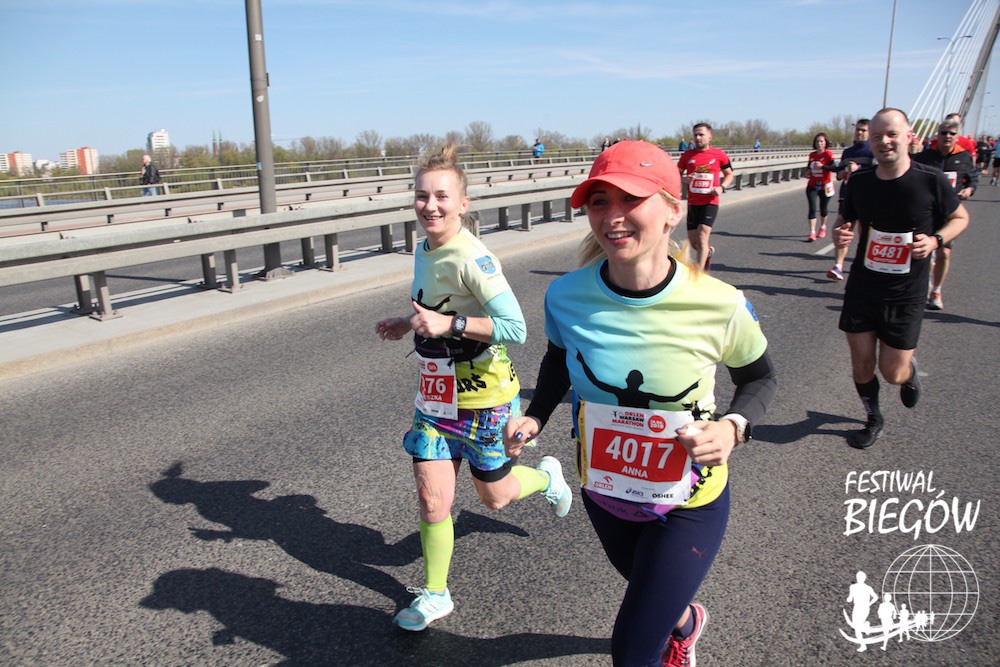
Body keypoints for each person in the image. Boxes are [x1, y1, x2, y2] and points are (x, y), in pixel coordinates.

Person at [503, 140, 776, 667]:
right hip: (605, 490)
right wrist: (535, 416)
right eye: (599, 201)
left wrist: (733, 427)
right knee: (650, 589)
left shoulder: (719, 302)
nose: (613, 216)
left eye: (631, 199)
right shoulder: (565, 295)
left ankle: (671, 634)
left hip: (688, 502)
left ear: (673, 210)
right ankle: (686, 620)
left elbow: (760, 378)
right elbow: (559, 360)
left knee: (632, 649)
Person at [374, 145, 572, 632]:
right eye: (422, 196)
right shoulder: (424, 249)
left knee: (495, 497)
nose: (431, 206)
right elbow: (436, 308)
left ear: (463, 203)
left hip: (486, 402)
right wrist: (406, 322)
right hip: (435, 400)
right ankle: (435, 594)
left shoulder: (473, 257)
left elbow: (515, 328)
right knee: (432, 501)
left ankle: (547, 478)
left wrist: (450, 324)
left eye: (442, 196)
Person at [832, 108, 968, 449]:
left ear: (909, 137)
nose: (884, 141)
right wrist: (840, 234)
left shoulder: (930, 180)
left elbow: (960, 218)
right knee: (862, 366)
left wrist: (936, 240)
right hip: (863, 287)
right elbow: (844, 221)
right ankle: (873, 418)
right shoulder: (860, 181)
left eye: (892, 134)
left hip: (905, 292)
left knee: (892, 373)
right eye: (877, 136)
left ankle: (908, 371)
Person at [913, 119, 978, 310]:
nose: (947, 137)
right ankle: (924, 285)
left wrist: (969, 190)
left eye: (952, 133)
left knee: (943, 253)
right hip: (926, 212)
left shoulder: (963, 157)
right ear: (937, 136)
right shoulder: (925, 157)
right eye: (943, 133)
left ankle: (936, 290)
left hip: (949, 214)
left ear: (957, 137)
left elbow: (972, 179)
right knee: (923, 251)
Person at [677, 123, 735, 270]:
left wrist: (722, 187)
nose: (698, 138)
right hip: (693, 202)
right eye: (695, 135)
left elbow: (729, 174)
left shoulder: (719, 155)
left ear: (710, 137)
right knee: (694, 242)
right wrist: (683, 179)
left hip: (710, 201)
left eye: (701, 134)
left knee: (702, 235)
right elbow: (676, 174)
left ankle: (699, 273)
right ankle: (707, 253)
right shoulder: (687, 155)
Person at [827, 119, 873, 281]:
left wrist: (857, 169)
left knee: (866, 235)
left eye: (863, 130)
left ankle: (866, 265)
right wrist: (842, 173)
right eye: (858, 130)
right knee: (842, 231)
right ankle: (838, 266)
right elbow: (839, 174)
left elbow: (877, 173)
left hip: (867, 197)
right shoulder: (848, 152)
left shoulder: (873, 151)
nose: (859, 132)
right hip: (847, 196)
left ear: (869, 132)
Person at [804, 132, 837, 242]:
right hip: (812, 185)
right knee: (812, 208)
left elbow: (834, 167)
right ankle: (812, 232)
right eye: (817, 141)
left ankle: (823, 226)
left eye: (821, 141)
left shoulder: (828, 154)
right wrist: (808, 172)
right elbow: (809, 167)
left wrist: (823, 167)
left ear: (825, 143)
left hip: (825, 186)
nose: (819, 143)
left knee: (823, 209)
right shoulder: (812, 155)